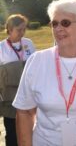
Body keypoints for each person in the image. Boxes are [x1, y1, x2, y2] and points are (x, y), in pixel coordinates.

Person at [13, 0, 76, 145]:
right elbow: (24, 112)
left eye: (65, 23)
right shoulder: (37, 61)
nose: (59, 28)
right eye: (54, 23)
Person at [0, 14, 35, 146]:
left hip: (29, 96)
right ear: (9, 29)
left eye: (24, 29)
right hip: (10, 100)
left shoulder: (29, 43)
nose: (22, 32)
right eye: (19, 29)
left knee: (29, 130)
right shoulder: (1, 48)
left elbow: (36, 66)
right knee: (12, 132)